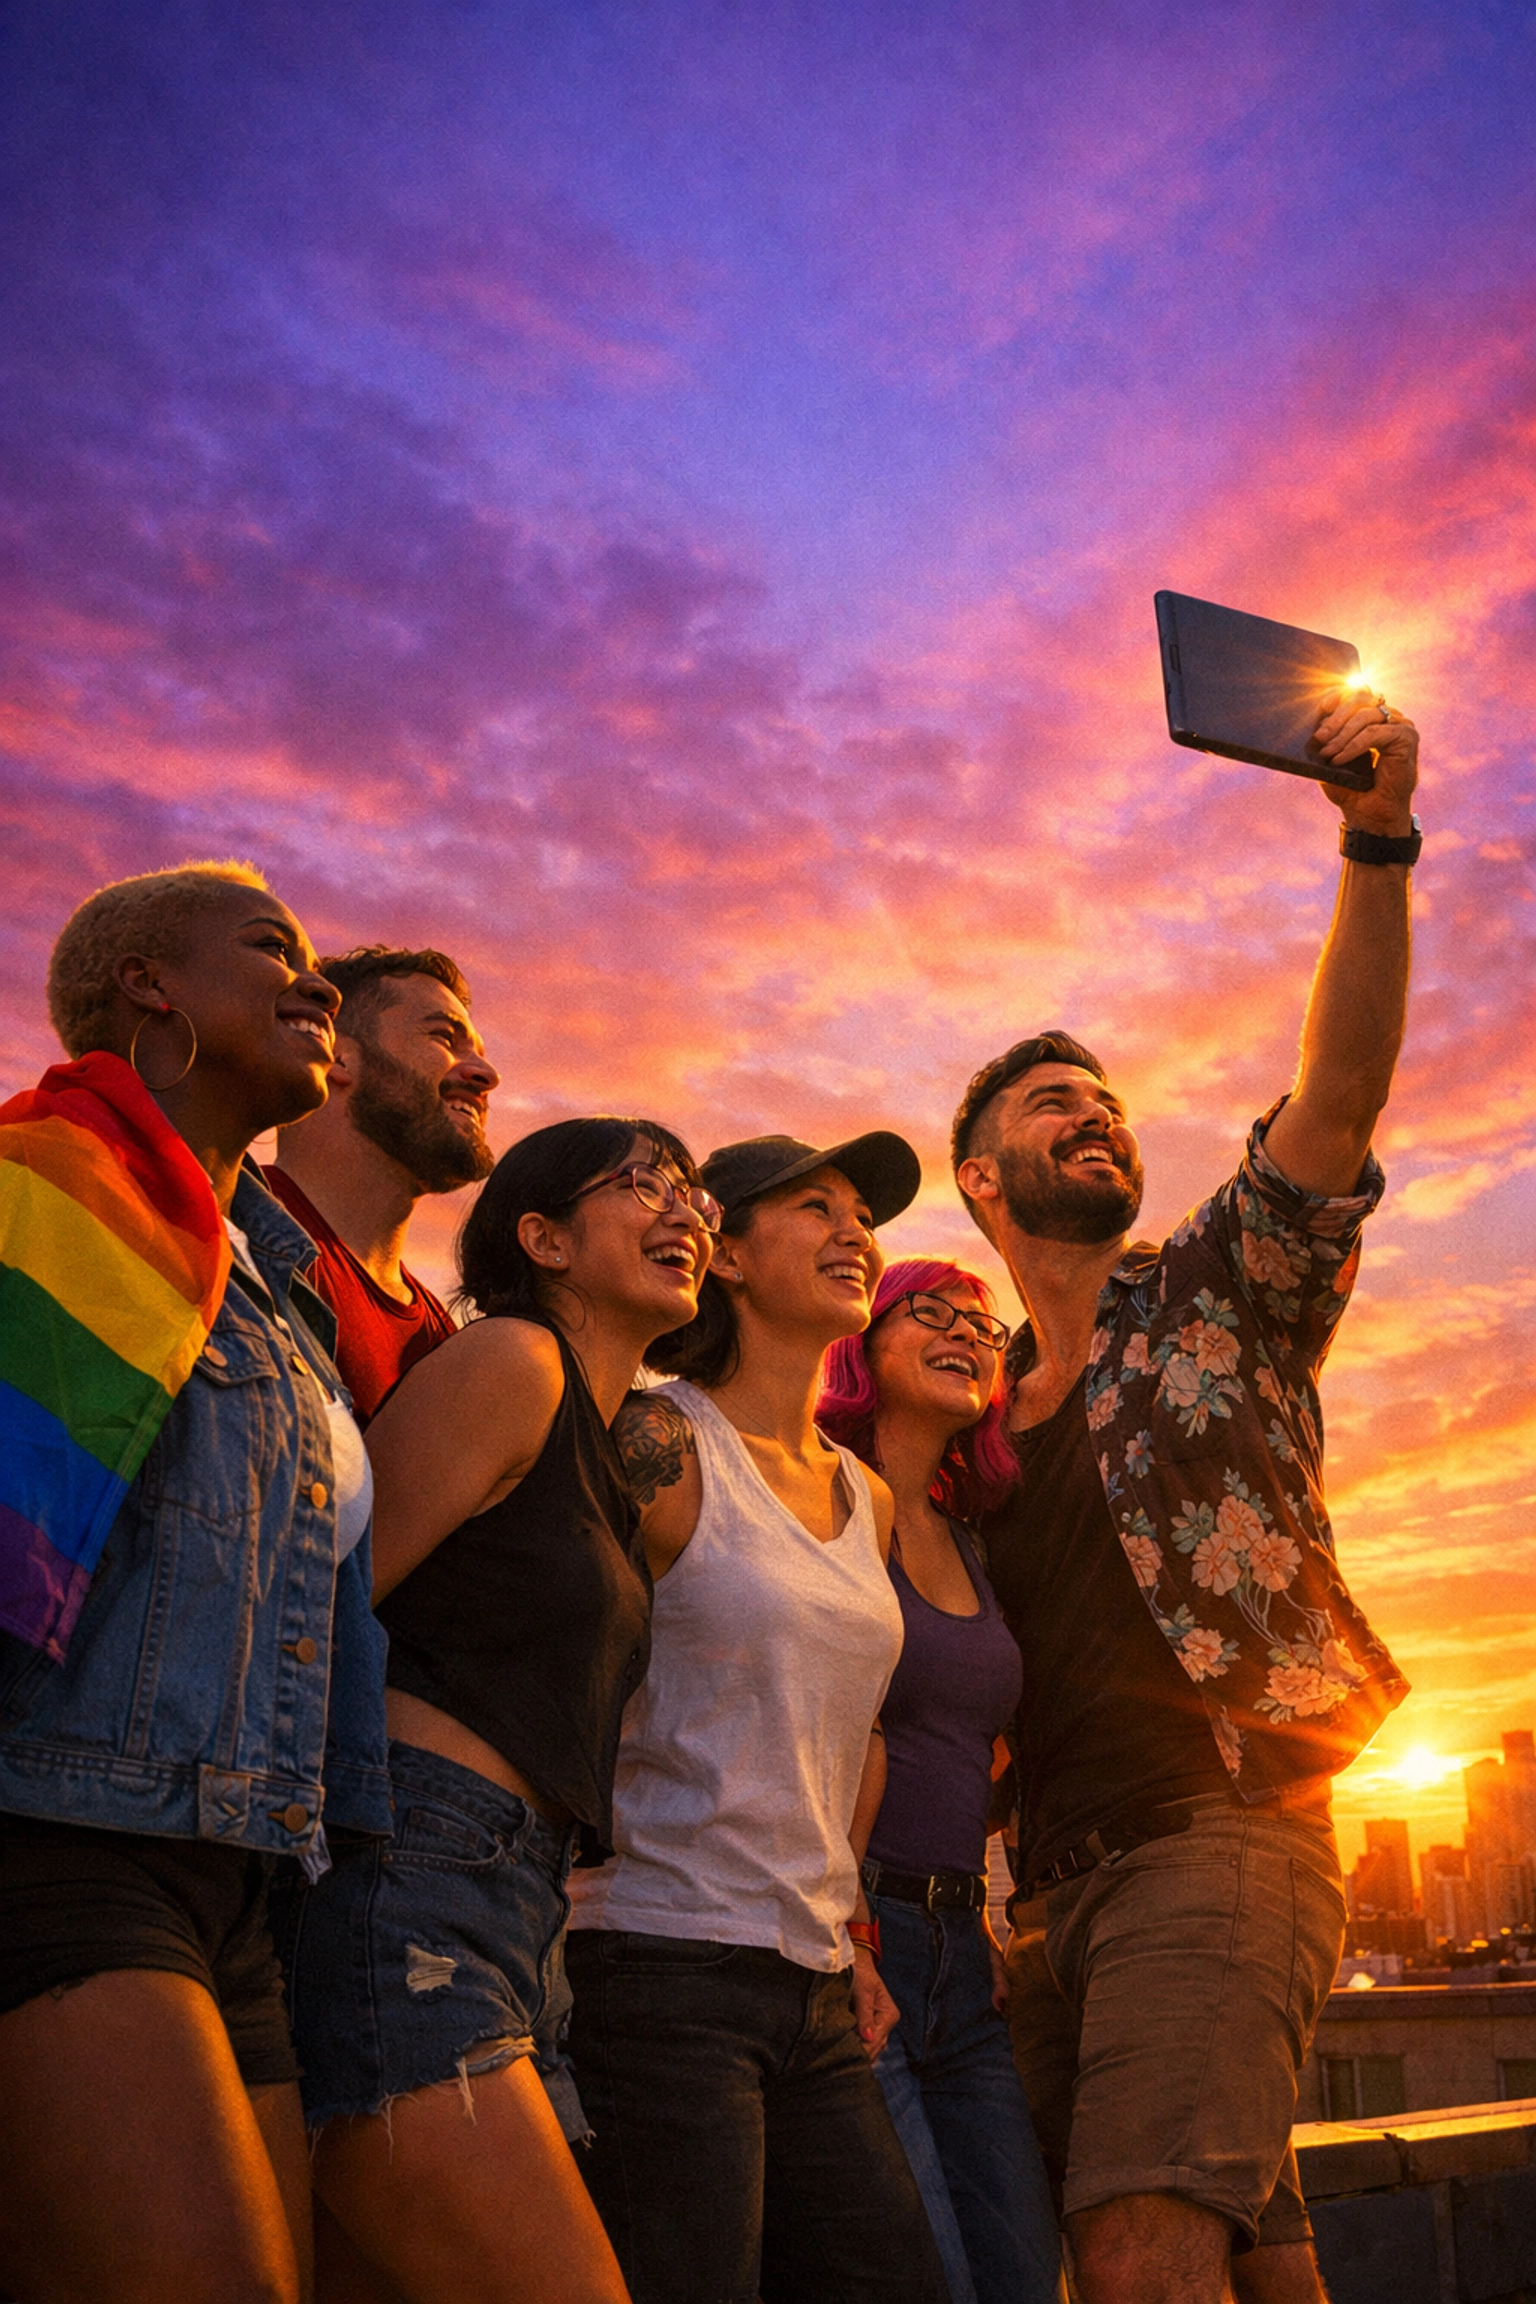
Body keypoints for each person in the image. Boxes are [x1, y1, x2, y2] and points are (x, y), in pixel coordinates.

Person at [949, 687, 1421, 2304]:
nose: (1096, 1110)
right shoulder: (974, 1430)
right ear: (978, 1179)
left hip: (1222, 1834)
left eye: (1108, 1098)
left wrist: (1374, 838)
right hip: (1044, 1895)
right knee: (1247, 2268)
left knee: (1135, 2261)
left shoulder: (1221, 1287)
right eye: (1048, 1101)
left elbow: (1339, 1099)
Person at [0, 862, 392, 2304]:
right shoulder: (37, 1182)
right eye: (270, 948)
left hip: (249, 1877)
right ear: (148, 986)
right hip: (60, 1837)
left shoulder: (280, 1294)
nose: (318, 982)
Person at [278, 1117, 719, 2304]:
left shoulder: (610, 1463)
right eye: (644, 1186)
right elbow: (320, 1604)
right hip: (413, 1877)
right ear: (544, 1236)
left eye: (696, 1195)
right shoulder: (510, 1363)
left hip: (515, 1907)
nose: (686, 1210)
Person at [565, 1129, 952, 2304]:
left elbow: (846, 1737)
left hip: (815, 1984)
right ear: (723, 1253)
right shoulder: (658, 1438)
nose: (855, 1233)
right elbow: (551, 1653)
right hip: (659, 1962)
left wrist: (852, 1931)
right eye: (813, 1207)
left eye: (861, 1215)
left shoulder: (867, 1494)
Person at [818, 1257, 1061, 2304]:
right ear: (862, 1344)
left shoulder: (972, 1541)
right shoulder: (825, 1499)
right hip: (854, 1942)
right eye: (931, 1312)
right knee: (927, 2280)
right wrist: (846, 1932)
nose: (968, 1331)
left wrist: (993, 1922)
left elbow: (984, 1758)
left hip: (963, 1960)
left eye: (983, 1321)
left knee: (1023, 2274)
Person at [266, 944, 499, 1422]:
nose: (485, 1075)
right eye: (443, 1038)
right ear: (336, 1057)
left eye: (477, 1052)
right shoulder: (227, 1231)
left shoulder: (437, 1335)